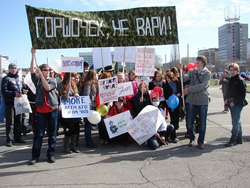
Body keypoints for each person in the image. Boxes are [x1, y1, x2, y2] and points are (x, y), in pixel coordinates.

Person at [29, 48, 59, 165]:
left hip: (52, 110)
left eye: (48, 70)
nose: (48, 71)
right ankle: (35, 156)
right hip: (41, 110)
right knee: (39, 134)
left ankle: (51, 154)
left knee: (52, 134)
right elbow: (32, 71)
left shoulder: (53, 80)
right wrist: (33, 55)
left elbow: (47, 87)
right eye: (45, 70)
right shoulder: (37, 80)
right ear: (41, 70)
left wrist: (42, 75)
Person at [180, 55, 211, 149]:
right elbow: (183, 79)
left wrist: (189, 89)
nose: (197, 62)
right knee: (189, 122)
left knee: (202, 122)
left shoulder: (207, 73)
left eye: (199, 60)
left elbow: (203, 86)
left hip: (202, 100)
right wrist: (181, 71)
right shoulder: (192, 71)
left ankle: (201, 141)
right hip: (191, 100)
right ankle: (191, 138)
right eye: (197, 60)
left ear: (203, 62)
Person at [1, 63, 26, 147]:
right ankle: (9, 139)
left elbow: (21, 88)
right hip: (10, 102)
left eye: (15, 68)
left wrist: (23, 91)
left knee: (18, 121)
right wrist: (14, 94)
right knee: (10, 121)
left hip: (18, 101)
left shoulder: (18, 79)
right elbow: (4, 91)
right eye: (12, 68)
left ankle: (18, 137)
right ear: (9, 69)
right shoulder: (6, 79)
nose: (13, 69)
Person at [224, 63, 248, 147]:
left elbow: (242, 94)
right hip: (231, 101)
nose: (232, 72)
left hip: (237, 103)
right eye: (230, 70)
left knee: (235, 121)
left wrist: (235, 102)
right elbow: (228, 91)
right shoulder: (231, 79)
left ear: (237, 70)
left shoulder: (240, 80)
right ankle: (239, 138)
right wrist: (226, 99)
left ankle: (233, 138)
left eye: (234, 70)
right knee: (236, 120)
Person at [59, 73, 80, 153]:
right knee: (70, 129)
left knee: (75, 129)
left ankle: (73, 146)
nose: (74, 79)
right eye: (73, 77)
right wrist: (68, 89)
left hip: (74, 112)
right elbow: (64, 98)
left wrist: (76, 95)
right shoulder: (62, 85)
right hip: (67, 112)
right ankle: (66, 146)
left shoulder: (73, 85)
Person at [79, 70, 98, 148]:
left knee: (89, 125)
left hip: (91, 105)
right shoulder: (89, 83)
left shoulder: (90, 83)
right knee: (88, 125)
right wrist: (89, 105)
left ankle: (89, 140)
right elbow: (86, 95)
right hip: (89, 106)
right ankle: (88, 142)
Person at [163, 71, 182, 143]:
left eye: (169, 78)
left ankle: (173, 131)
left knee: (176, 119)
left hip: (177, 102)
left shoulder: (177, 83)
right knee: (173, 119)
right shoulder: (165, 85)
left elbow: (180, 91)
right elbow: (166, 96)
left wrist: (176, 95)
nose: (168, 80)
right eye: (167, 78)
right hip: (170, 104)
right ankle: (173, 136)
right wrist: (170, 106)